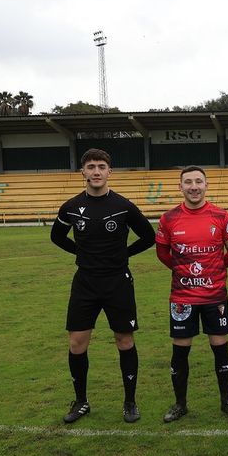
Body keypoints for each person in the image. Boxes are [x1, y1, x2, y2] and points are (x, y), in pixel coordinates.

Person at [51, 148, 155, 424]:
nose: (96, 172)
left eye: (101, 167)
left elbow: (149, 236)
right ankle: (81, 401)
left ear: (110, 172)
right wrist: (79, 253)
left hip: (117, 282)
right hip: (85, 282)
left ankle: (130, 401)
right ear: (82, 172)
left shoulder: (123, 205)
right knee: (76, 343)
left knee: (124, 340)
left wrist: (124, 255)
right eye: (91, 167)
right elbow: (56, 237)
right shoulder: (71, 207)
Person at [155, 166, 228, 421]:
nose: (194, 186)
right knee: (180, 350)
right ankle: (180, 404)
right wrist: (182, 270)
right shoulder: (168, 218)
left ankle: (226, 401)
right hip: (182, 298)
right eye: (188, 182)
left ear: (206, 185)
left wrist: (214, 269)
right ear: (180, 187)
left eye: (198, 182)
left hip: (215, 296)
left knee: (220, 348)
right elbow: (162, 253)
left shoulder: (222, 216)